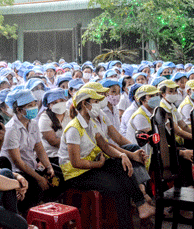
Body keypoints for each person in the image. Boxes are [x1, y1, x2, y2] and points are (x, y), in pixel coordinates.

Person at [58, 88, 155, 228]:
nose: (98, 104)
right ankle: (128, 221)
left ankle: (141, 204)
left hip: (92, 165)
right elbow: (76, 162)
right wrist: (99, 165)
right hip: (76, 174)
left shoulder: (91, 123)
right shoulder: (73, 128)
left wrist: (122, 155)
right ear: (85, 104)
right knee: (118, 188)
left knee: (120, 165)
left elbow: (104, 145)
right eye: (95, 102)